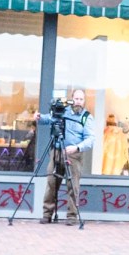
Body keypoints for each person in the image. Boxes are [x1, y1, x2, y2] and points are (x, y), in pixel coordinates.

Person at [37, 88, 96, 225]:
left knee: (72, 186)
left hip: (74, 154)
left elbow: (90, 140)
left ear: (84, 101)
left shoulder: (86, 117)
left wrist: (77, 147)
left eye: (81, 99)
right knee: (51, 183)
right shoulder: (63, 111)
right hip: (57, 151)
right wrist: (40, 118)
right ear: (72, 99)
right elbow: (50, 119)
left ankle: (72, 216)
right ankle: (47, 214)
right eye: (76, 99)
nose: (78, 102)